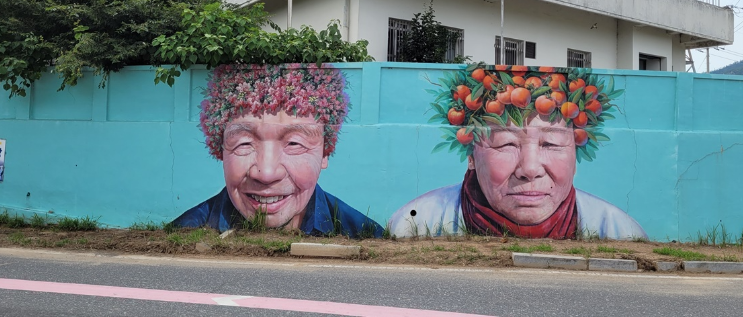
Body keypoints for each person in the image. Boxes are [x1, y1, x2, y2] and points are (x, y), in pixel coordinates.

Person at [389, 66, 646, 240]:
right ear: (471, 156)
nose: (530, 169)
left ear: (574, 154)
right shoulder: (415, 223)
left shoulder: (617, 230)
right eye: (506, 144)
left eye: (551, 144)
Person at [173, 64, 383, 238]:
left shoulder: (364, 235)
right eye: (244, 144)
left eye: (294, 144)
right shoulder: (184, 234)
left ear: (325, 153)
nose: (267, 173)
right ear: (220, 151)